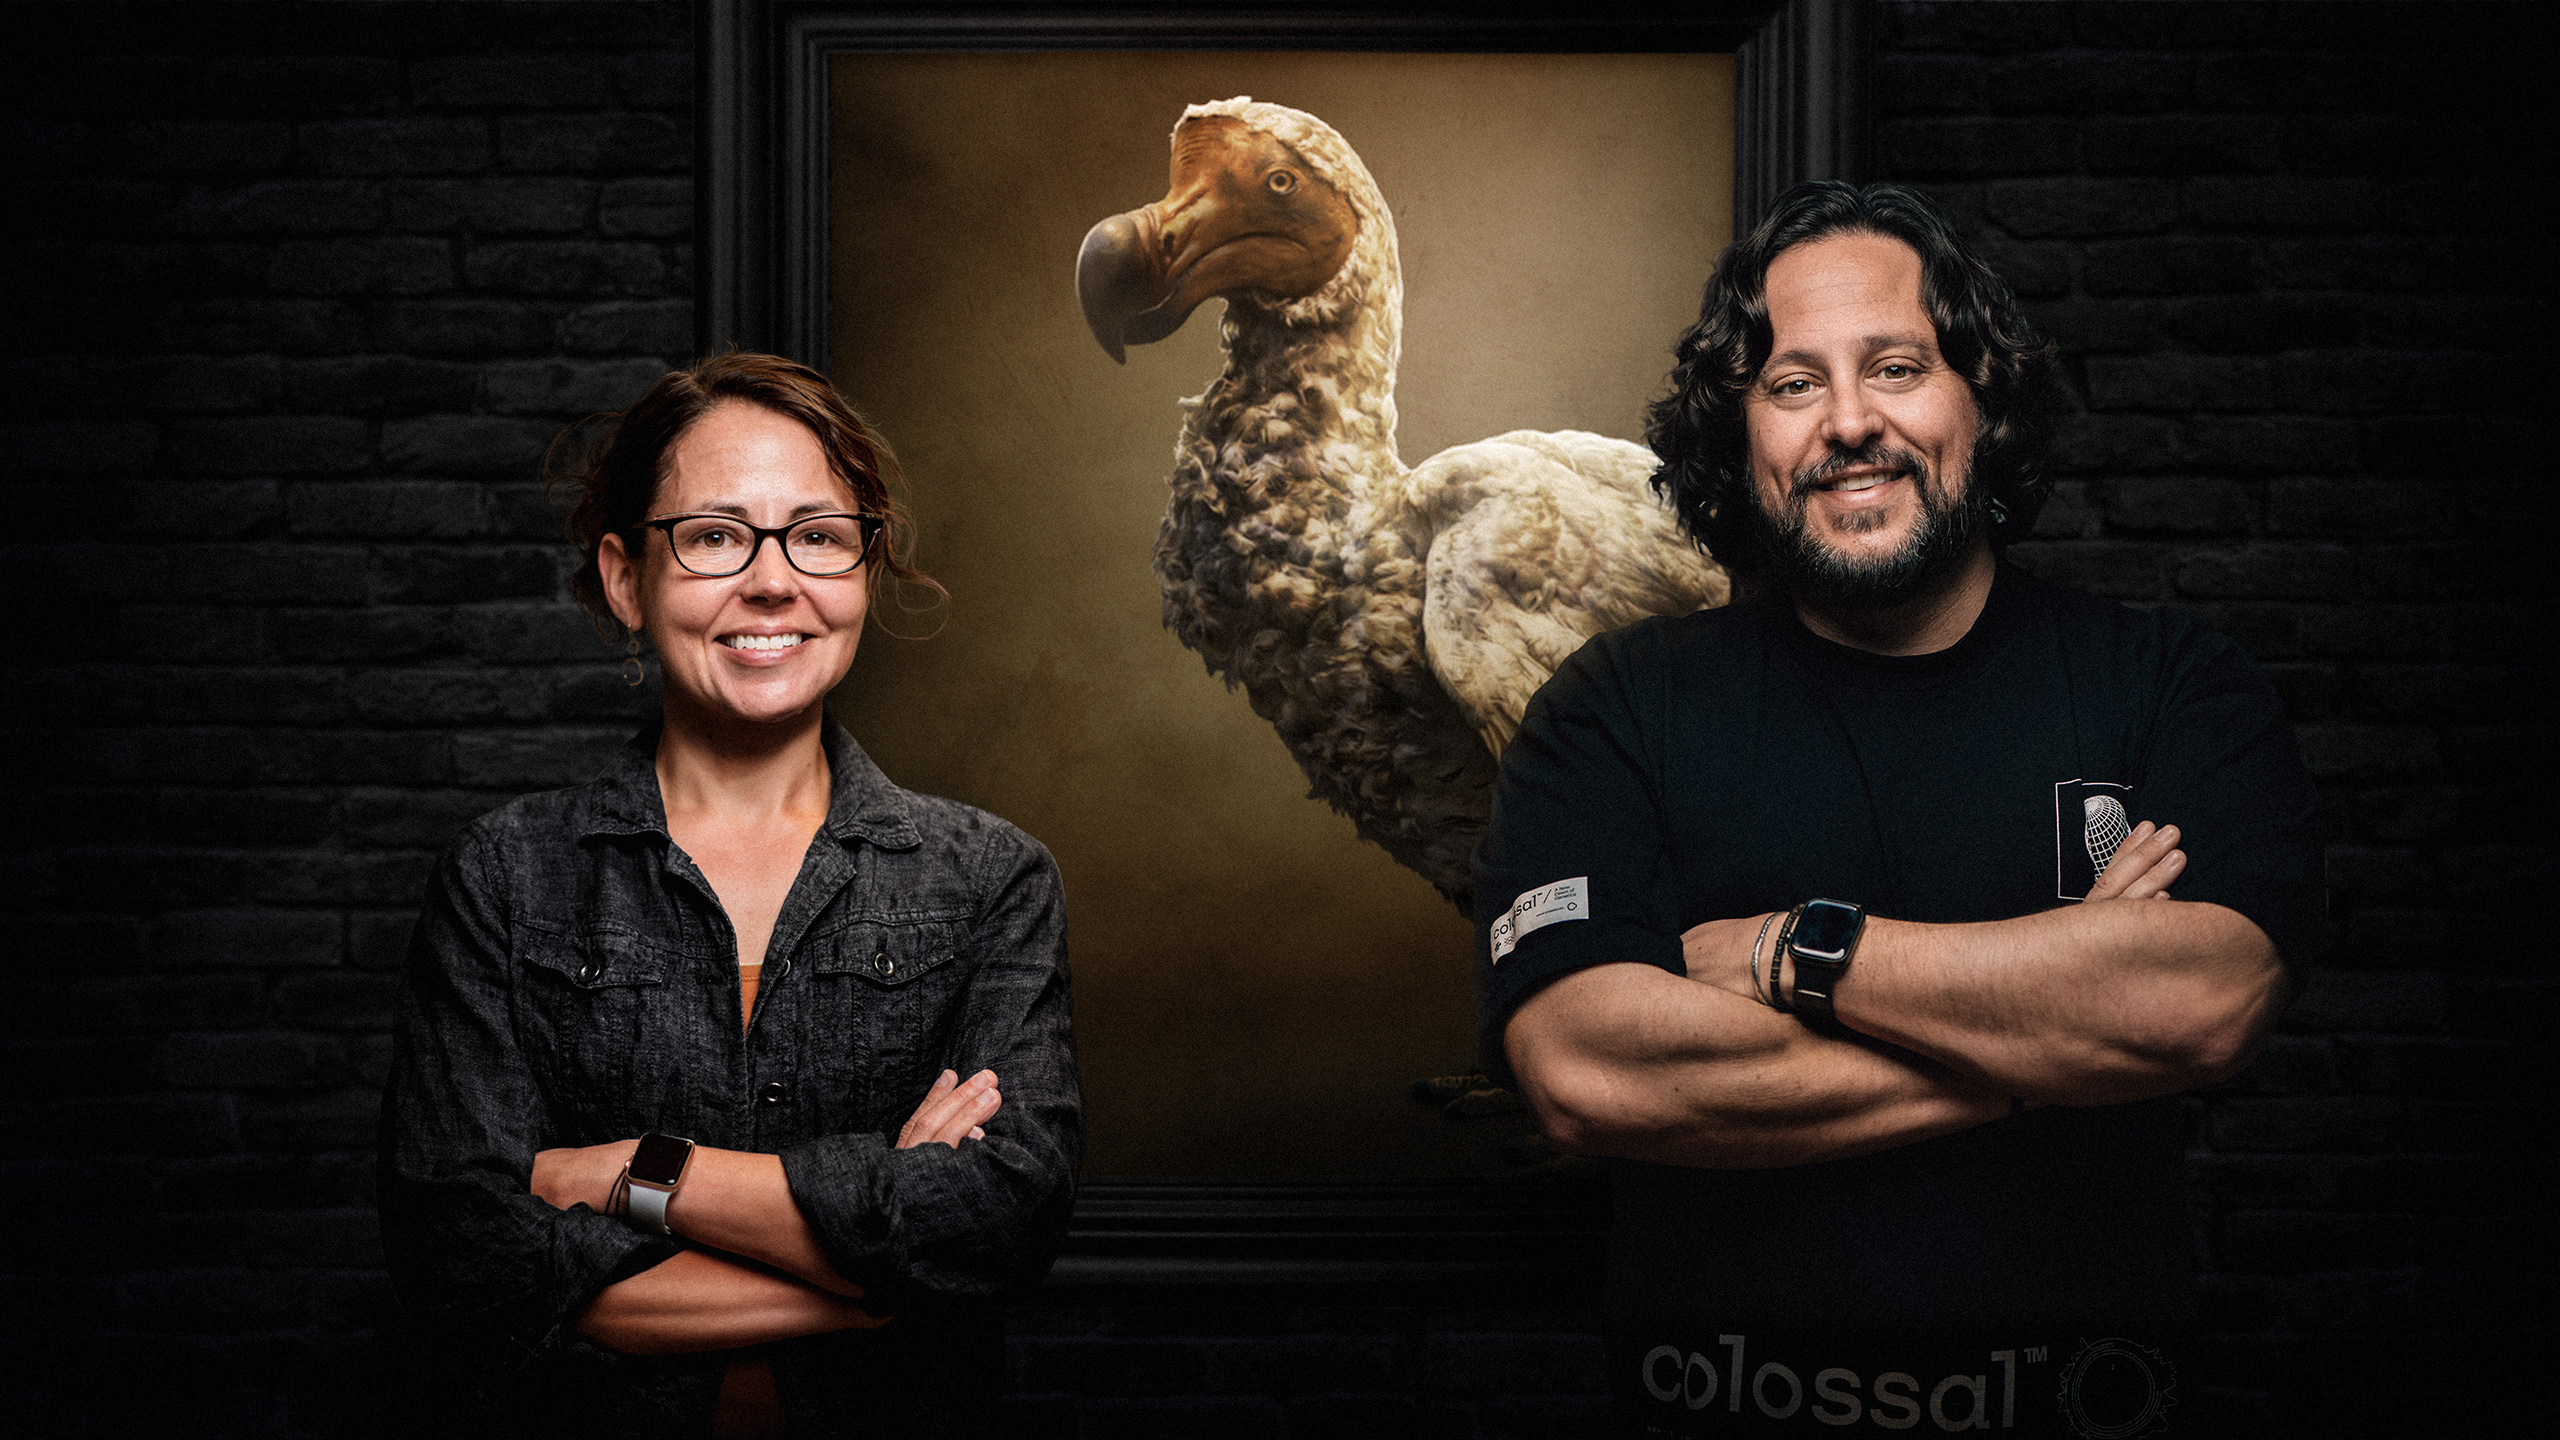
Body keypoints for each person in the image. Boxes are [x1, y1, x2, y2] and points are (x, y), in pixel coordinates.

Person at [1472, 183, 2324, 1437]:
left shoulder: (2166, 683)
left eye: (1897, 367)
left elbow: (2196, 1004)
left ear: (1981, 400)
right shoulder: (1617, 711)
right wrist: (2052, 1046)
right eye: (1792, 383)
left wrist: (1782, 954)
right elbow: (1585, 1072)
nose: (1850, 423)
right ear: (1741, 431)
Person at [379, 352, 1080, 1440]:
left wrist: (635, 1175)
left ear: (864, 568)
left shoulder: (990, 881)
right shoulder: (506, 876)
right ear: (626, 578)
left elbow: (999, 1222)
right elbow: (466, 1256)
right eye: (713, 536)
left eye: (817, 534)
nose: (772, 580)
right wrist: (876, 1277)